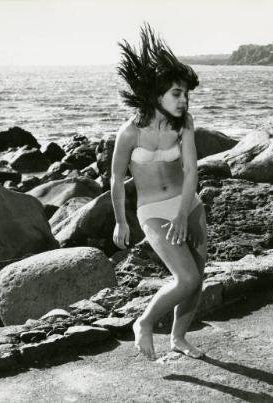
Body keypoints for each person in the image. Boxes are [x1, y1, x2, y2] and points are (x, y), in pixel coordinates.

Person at [111, 24, 207, 359]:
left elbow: (192, 169)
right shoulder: (129, 132)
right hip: (152, 211)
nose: (184, 100)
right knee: (185, 278)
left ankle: (179, 338)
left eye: (186, 94)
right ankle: (145, 322)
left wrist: (183, 213)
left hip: (188, 204)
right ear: (157, 95)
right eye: (177, 94)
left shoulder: (185, 123)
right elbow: (114, 178)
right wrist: (121, 222)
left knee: (198, 278)